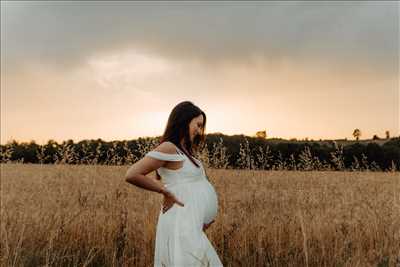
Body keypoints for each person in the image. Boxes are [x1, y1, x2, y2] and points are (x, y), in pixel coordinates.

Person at [125, 101, 223, 266]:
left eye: (202, 126)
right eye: (198, 125)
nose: (200, 131)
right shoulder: (169, 148)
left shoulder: (187, 152)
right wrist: (164, 191)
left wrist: (202, 216)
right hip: (179, 222)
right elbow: (132, 174)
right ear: (184, 121)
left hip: (191, 224)